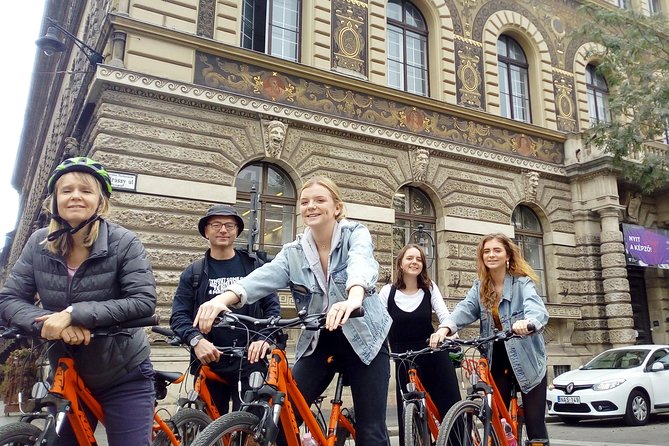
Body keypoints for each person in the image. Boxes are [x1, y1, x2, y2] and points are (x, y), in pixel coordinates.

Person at [194, 176, 392, 446]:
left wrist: (353, 298)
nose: (311, 206)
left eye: (320, 200)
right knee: (285, 421)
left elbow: (361, 263)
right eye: (305, 202)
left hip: (365, 338)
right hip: (320, 340)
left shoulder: (355, 234)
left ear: (337, 207)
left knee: (371, 432)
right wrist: (221, 300)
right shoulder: (293, 252)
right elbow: (260, 278)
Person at [0, 157, 157, 445]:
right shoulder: (37, 244)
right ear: (54, 201)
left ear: (101, 202)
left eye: (85, 190)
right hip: (69, 374)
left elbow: (143, 301)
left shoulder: (124, 242)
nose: (75, 196)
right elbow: (9, 299)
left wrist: (75, 313)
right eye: (66, 190)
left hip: (123, 373)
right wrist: (50, 323)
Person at [170, 204, 280, 415]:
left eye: (229, 225)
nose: (223, 230)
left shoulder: (254, 268)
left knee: (250, 425)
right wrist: (196, 341)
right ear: (206, 231)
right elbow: (179, 316)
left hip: (251, 361)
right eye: (216, 225)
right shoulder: (193, 273)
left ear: (237, 231)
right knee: (210, 429)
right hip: (209, 361)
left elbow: (272, 310)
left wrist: (264, 339)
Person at [441, 233, 550, 442]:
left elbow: (536, 308)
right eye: (486, 251)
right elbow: (465, 309)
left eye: (497, 250)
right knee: (496, 421)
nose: (491, 255)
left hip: (527, 358)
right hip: (496, 359)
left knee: (535, 425)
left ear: (508, 255)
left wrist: (529, 323)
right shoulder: (480, 286)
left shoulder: (522, 283)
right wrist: (444, 328)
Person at [379, 244, 461, 444]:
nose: (414, 262)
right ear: (400, 262)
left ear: (423, 265)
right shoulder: (387, 292)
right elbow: (377, 326)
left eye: (418, 259)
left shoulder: (429, 288)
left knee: (449, 404)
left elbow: (445, 317)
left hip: (432, 353)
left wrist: (446, 333)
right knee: (408, 415)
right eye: (409, 258)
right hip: (403, 358)